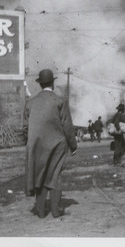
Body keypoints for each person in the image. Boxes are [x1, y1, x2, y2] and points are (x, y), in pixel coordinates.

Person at [23, 69, 77, 218]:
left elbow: (25, 128)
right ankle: (56, 210)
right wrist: (73, 146)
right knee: (55, 175)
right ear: (52, 83)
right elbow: (67, 125)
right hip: (57, 145)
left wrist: (30, 143)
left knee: (39, 175)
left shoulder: (30, 103)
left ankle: (40, 211)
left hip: (36, 145)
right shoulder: (60, 101)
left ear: (40, 84)